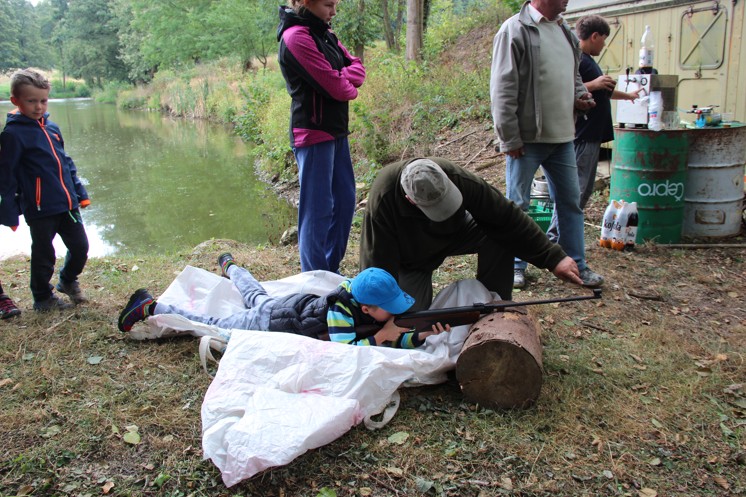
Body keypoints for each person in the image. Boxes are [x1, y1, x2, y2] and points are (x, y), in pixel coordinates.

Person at [359, 157, 584, 312]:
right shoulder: (384, 198)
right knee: (407, 319)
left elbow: (506, 217)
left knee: (498, 233)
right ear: (410, 200)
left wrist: (553, 258)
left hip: (456, 233)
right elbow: (376, 264)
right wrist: (384, 310)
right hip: (410, 261)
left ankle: (494, 305)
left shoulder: (454, 175)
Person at [490, 0, 604, 290]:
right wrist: (509, 138)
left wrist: (580, 96)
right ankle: (514, 267)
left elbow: (574, 75)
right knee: (518, 206)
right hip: (526, 141)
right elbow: (502, 89)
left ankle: (575, 265)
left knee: (571, 203)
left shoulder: (564, 30)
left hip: (564, 137)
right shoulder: (514, 30)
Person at [118, 253, 449, 349]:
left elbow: (391, 337)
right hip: (270, 321)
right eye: (390, 309)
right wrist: (381, 336)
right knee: (214, 325)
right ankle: (151, 307)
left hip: (286, 306)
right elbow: (345, 353)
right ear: (366, 309)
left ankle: (231, 266)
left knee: (255, 294)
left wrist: (419, 335)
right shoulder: (339, 313)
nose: (395, 313)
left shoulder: (363, 301)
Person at [277, 0, 366, 273]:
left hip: (337, 130)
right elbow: (339, 88)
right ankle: (314, 281)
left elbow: (358, 70)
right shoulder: (296, 37)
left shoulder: (324, 32)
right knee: (317, 211)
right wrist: (342, 80)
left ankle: (329, 270)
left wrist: (341, 76)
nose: (334, 11)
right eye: (329, 4)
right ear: (306, 2)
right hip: (313, 133)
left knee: (345, 200)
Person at [0, 69, 90, 311]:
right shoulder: (12, 135)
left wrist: (80, 193)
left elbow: (66, 163)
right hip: (40, 208)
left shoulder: (53, 128)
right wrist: (8, 212)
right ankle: (42, 298)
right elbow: (6, 176)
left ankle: (67, 281)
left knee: (81, 247)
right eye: (31, 101)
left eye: (43, 100)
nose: (38, 107)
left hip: (67, 203)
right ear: (15, 101)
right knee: (43, 255)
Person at [546, 14, 641, 241]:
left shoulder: (589, 60)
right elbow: (564, 89)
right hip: (583, 135)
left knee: (584, 190)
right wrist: (595, 83)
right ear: (594, 36)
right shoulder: (577, 59)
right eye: (604, 39)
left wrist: (628, 96)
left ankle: (561, 237)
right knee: (575, 191)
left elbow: (602, 90)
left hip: (593, 136)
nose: (604, 44)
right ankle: (554, 238)